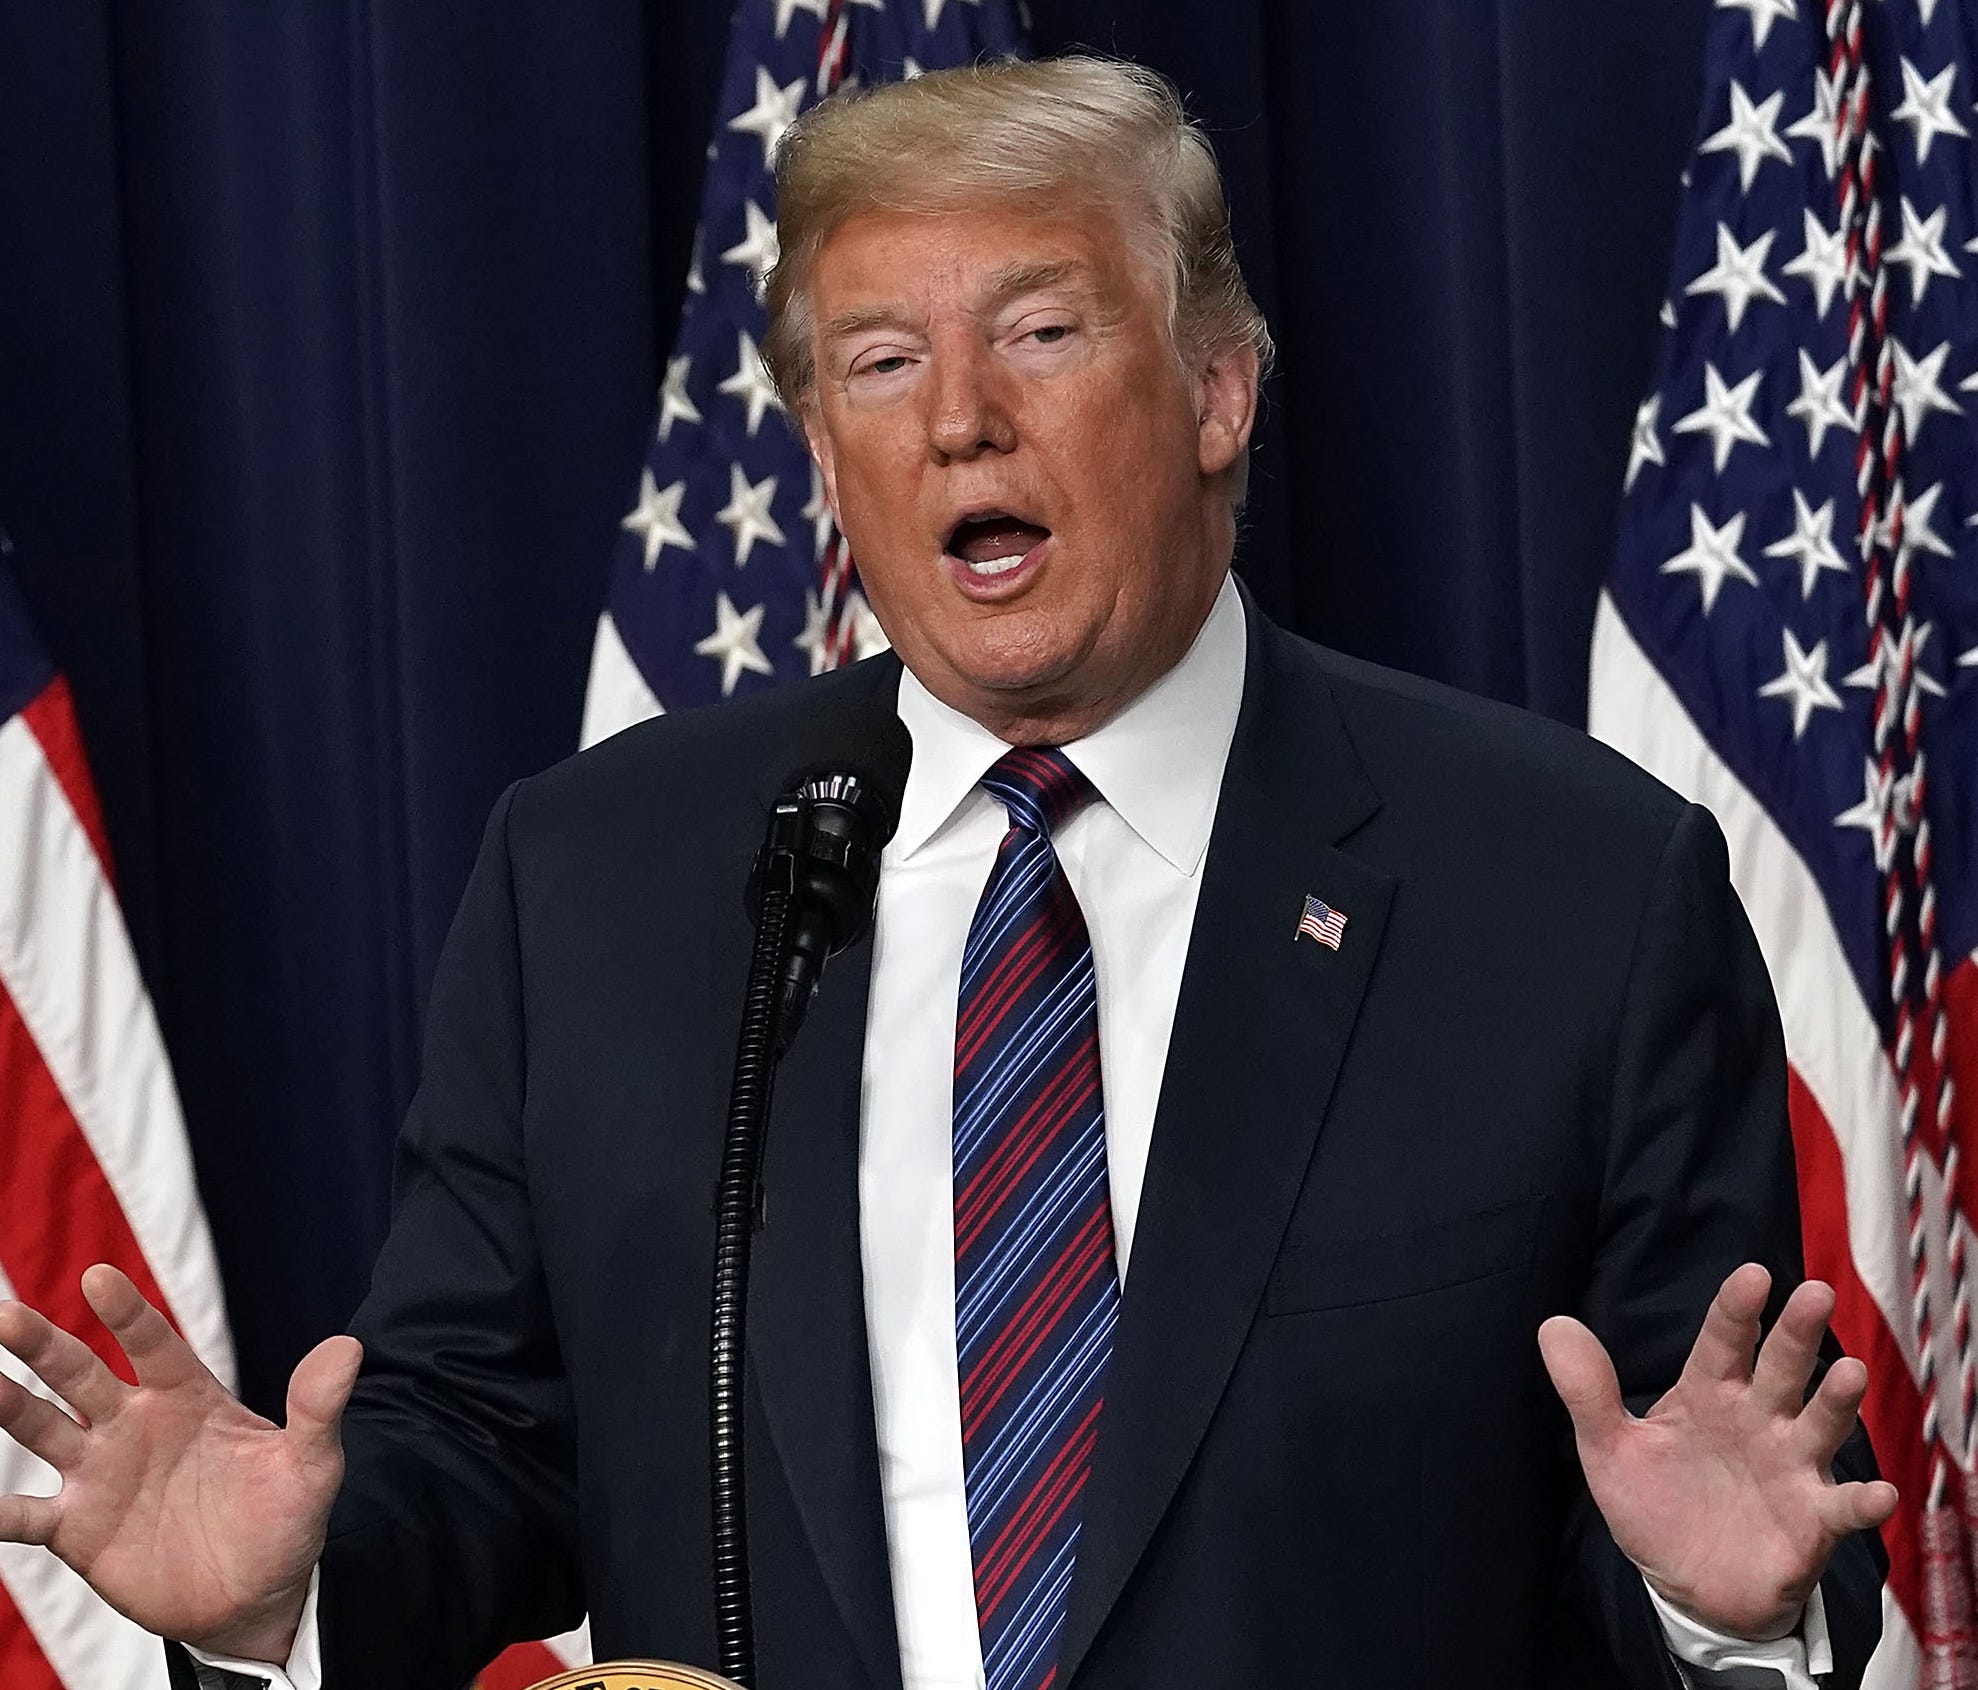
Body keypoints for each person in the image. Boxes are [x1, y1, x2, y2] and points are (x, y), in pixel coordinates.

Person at [0, 56, 1893, 1690]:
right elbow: (485, 1441)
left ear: (1218, 389)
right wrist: (284, 1592)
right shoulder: (598, 880)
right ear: (825, 450)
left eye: (1040, 332)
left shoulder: (1569, 888)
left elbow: (1696, 1480)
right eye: (880, 363)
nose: (957, 417)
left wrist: (1713, 1601)